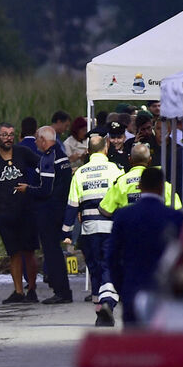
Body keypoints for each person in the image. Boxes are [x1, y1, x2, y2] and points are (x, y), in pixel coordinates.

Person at [103, 167, 183, 326]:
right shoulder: (175, 218)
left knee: (135, 346)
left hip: (132, 290)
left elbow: (112, 258)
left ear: (140, 186)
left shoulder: (123, 216)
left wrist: (122, 289)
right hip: (165, 294)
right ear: (162, 187)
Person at [63, 134, 122, 322]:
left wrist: (66, 232)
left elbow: (72, 204)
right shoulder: (115, 170)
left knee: (95, 267)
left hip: (89, 230)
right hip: (110, 228)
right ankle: (106, 303)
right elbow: (121, 199)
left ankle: (99, 306)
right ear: (105, 149)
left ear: (88, 151)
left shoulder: (80, 173)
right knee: (108, 266)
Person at [0, 122, 41, 304]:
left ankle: (32, 289)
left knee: (29, 252)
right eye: (4, 134)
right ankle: (18, 291)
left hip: (26, 210)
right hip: (6, 214)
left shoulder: (23, 152)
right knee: (13, 253)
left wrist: (35, 187)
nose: (8, 138)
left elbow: (42, 164)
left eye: (11, 134)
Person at [32, 125, 73, 304]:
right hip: (61, 209)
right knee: (56, 251)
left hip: (49, 211)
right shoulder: (62, 156)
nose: (35, 143)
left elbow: (45, 189)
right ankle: (63, 290)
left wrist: (28, 189)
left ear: (43, 140)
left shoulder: (49, 158)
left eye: (36, 139)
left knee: (51, 252)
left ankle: (61, 291)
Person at [100, 143, 183, 215]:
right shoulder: (160, 182)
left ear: (130, 160)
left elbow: (105, 210)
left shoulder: (121, 182)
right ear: (150, 160)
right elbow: (177, 208)